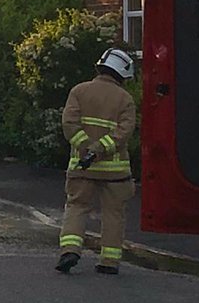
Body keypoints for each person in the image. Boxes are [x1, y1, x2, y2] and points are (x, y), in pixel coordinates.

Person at [56, 48, 138, 276]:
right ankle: (109, 262)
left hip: (82, 168)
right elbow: (124, 133)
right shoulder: (125, 99)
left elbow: (69, 124)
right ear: (122, 74)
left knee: (77, 207)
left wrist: (86, 149)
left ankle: (70, 250)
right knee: (114, 214)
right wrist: (101, 148)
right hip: (115, 172)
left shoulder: (79, 91)